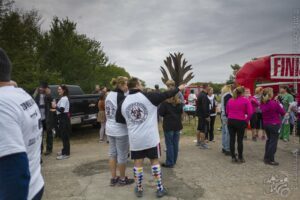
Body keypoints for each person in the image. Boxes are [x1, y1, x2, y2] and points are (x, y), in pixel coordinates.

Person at [119, 77, 185, 198]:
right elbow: (167, 94)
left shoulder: (123, 101)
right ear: (138, 85)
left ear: (128, 86)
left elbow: (120, 119)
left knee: (138, 162)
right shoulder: (149, 97)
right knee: (154, 161)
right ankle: (159, 188)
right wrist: (179, 88)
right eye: (141, 84)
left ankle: (139, 188)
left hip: (135, 138)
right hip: (150, 137)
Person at [0, 48, 44, 200]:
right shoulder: (20, 94)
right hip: (35, 182)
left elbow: (15, 173)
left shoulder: (2, 106)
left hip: (22, 192)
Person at [105, 76, 134, 186]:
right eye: (126, 84)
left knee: (112, 154)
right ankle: (122, 179)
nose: (128, 86)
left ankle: (113, 178)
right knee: (122, 155)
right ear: (121, 85)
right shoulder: (120, 96)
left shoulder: (109, 95)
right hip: (120, 130)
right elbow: (124, 113)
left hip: (110, 128)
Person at [159, 80, 184, 168]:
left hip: (169, 125)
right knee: (175, 143)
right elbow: (181, 113)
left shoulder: (165, 103)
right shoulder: (180, 103)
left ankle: (170, 162)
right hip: (177, 125)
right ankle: (174, 160)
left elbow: (161, 113)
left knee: (169, 144)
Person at [226, 87, 252, 163]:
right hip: (240, 121)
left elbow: (227, 112)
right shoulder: (246, 100)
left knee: (232, 139)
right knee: (240, 140)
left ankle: (233, 157)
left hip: (230, 120)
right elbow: (250, 113)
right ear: (243, 93)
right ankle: (240, 157)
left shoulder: (230, 100)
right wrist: (246, 121)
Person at [260, 88, 286, 166]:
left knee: (269, 141)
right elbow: (282, 112)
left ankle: (266, 157)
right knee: (273, 142)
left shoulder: (262, 103)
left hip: (266, 124)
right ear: (270, 94)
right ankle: (270, 159)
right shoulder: (274, 103)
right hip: (274, 124)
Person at [53, 85, 71, 160]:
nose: (58, 91)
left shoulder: (64, 98)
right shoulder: (63, 98)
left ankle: (66, 154)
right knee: (64, 136)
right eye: (58, 89)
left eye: (60, 89)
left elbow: (62, 110)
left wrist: (55, 106)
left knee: (65, 137)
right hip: (63, 118)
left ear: (63, 90)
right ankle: (64, 151)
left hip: (64, 118)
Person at [196, 84, 210, 149]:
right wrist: (207, 116)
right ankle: (202, 144)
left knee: (199, 128)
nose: (209, 89)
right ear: (206, 88)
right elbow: (205, 107)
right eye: (209, 87)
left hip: (200, 114)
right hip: (203, 115)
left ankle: (198, 142)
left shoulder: (200, 94)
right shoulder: (204, 96)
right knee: (203, 130)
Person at [220, 85, 232, 156]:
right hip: (226, 115)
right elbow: (228, 107)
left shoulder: (223, 96)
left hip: (223, 114)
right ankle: (227, 148)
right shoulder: (228, 95)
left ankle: (224, 147)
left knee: (224, 132)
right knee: (228, 133)